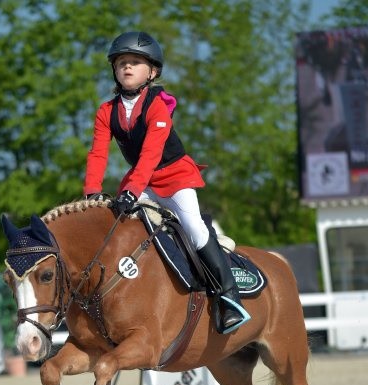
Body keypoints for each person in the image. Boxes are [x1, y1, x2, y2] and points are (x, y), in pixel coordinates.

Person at [83, 31, 249, 334]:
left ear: (153, 71)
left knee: (196, 229)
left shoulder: (158, 104)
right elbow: (97, 153)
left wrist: (132, 192)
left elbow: (150, 154)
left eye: (135, 62)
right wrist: (92, 191)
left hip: (174, 177)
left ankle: (229, 298)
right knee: (116, 229)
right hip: (139, 180)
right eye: (121, 63)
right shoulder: (106, 111)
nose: (127, 67)